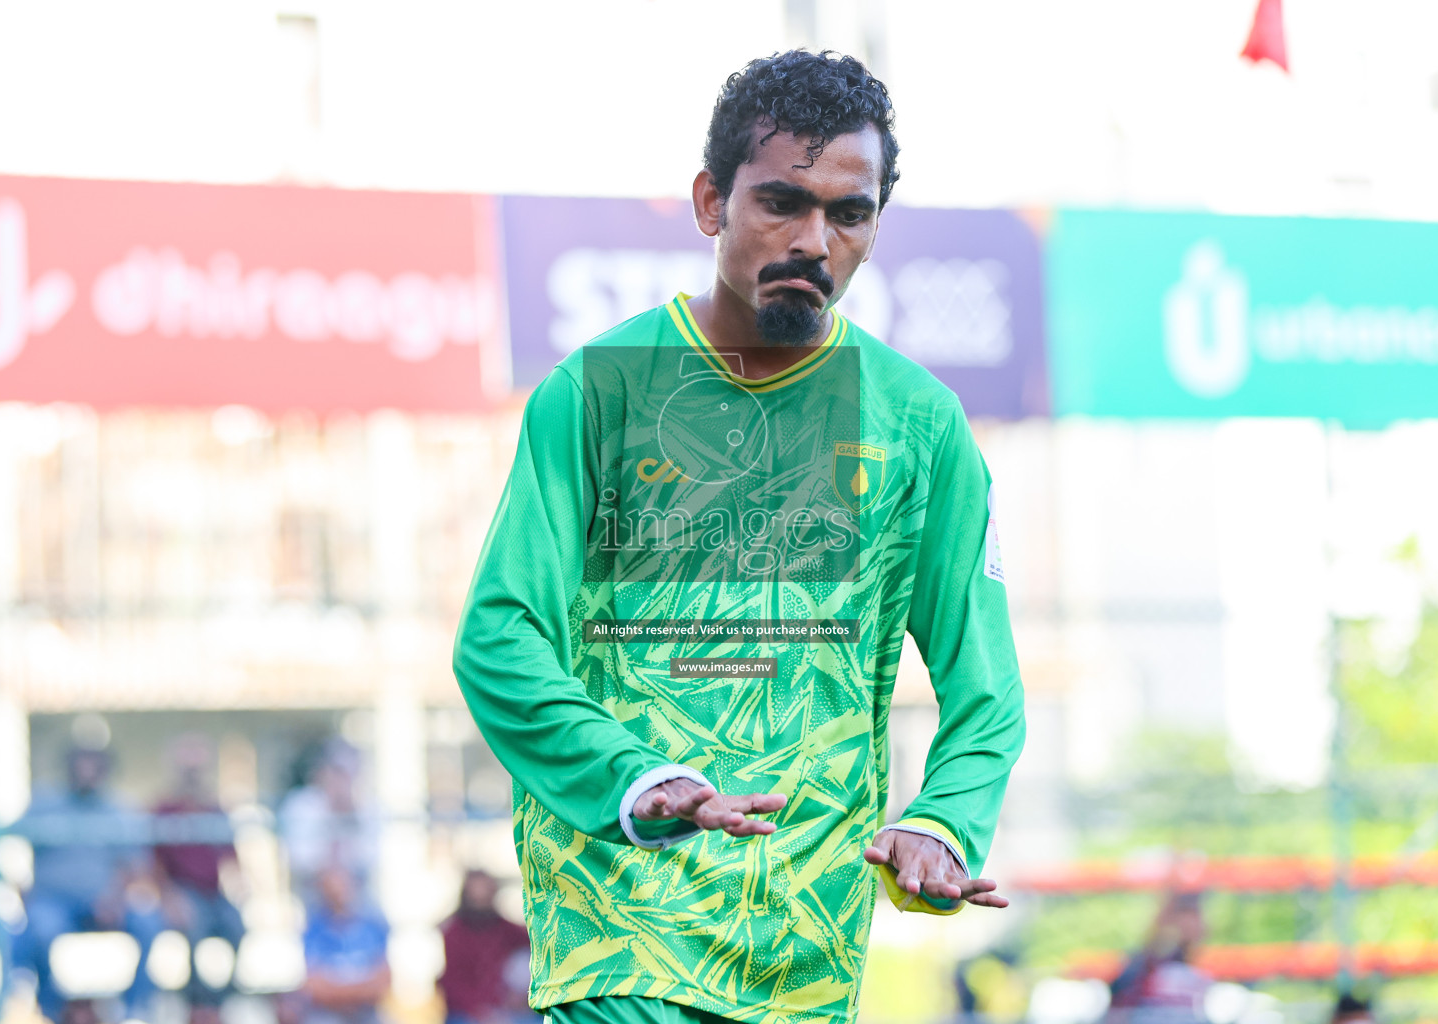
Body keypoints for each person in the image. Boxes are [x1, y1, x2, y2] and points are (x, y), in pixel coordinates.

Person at [454, 49, 1025, 1024]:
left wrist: (942, 821)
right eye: (781, 203)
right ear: (710, 202)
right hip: (619, 945)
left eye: (850, 213)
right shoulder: (597, 393)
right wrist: (639, 780)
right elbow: (498, 636)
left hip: (804, 968)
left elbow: (988, 693)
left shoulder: (919, 425)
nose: (815, 238)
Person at [12, 745, 164, 1023]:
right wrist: (22, 891)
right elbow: (11, 849)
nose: (86, 772)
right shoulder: (44, 804)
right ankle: (52, 1010)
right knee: (40, 928)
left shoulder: (119, 809)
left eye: (93, 766)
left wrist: (115, 900)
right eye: (80, 764)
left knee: (149, 923)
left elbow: (134, 864)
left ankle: (133, 1010)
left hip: (105, 902)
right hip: (52, 901)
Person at [152, 734, 245, 1018]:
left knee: (237, 926)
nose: (193, 775)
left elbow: (233, 859)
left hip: (214, 893)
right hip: (182, 891)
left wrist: (244, 889)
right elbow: (151, 862)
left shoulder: (216, 810)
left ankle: (223, 1000)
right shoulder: (163, 810)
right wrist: (168, 897)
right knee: (194, 928)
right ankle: (194, 1002)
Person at [279, 738, 378, 907]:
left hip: (358, 898)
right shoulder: (301, 806)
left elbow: (372, 858)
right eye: (338, 771)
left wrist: (350, 815)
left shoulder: (369, 808)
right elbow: (300, 859)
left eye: (350, 772)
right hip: (313, 895)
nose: (344, 780)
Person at [438, 870, 532, 1024]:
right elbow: (453, 982)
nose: (480, 899)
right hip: (466, 1013)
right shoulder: (453, 933)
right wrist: (479, 1010)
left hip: (505, 1010)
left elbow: (531, 948)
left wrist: (519, 995)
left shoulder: (506, 930)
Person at [300, 865, 390, 1024]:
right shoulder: (313, 930)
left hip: (368, 1013)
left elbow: (383, 983)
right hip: (327, 1014)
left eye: (342, 886)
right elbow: (314, 987)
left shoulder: (374, 927)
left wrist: (340, 991)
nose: (338, 894)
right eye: (331, 889)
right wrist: (358, 991)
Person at [1106, 892, 1213, 1024]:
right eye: (1189, 917)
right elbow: (1121, 1002)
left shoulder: (1192, 962)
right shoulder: (1153, 960)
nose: (1195, 925)